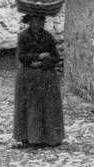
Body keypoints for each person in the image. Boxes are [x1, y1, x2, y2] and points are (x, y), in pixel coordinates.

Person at [13, 12, 64, 148]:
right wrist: (38, 56)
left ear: (42, 22)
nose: (36, 24)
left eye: (39, 21)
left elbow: (56, 57)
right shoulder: (23, 37)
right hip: (28, 78)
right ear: (29, 22)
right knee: (29, 107)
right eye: (33, 21)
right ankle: (28, 137)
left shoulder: (48, 37)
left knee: (48, 107)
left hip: (46, 77)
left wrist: (42, 63)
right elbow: (22, 56)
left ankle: (49, 137)